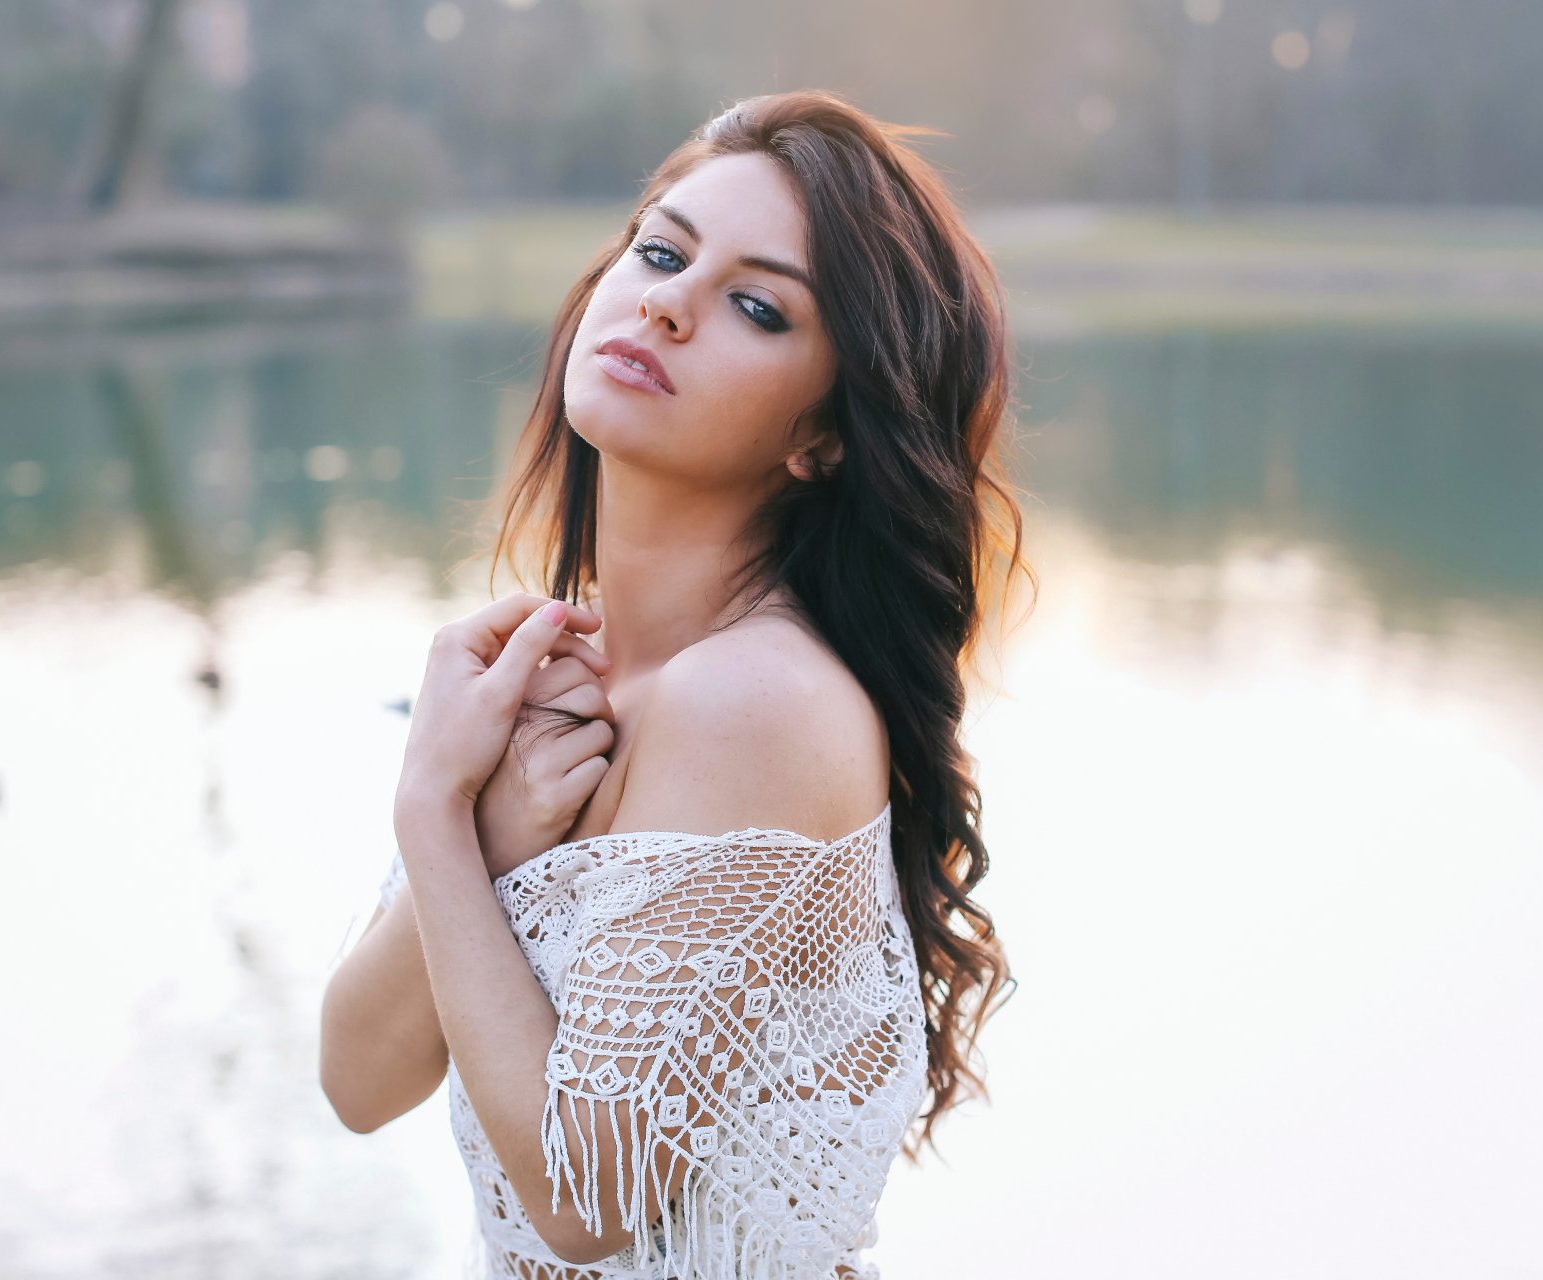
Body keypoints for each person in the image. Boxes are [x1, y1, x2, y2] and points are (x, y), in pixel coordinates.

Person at [320, 89, 1032, 1279]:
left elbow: (586, 1198)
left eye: (756, 306)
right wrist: (487, 835)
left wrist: (436, 815)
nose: (666, 302)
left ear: (825, 436)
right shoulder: (569, 674)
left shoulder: (758, 699)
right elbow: (356, 1078)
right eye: (660, 250)